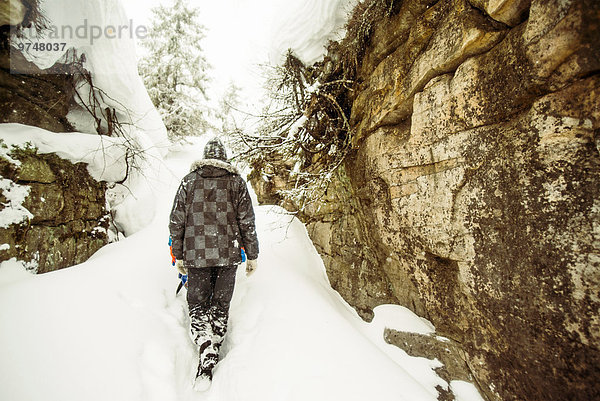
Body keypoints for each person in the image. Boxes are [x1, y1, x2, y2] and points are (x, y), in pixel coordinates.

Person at [169, 137, 259, 391]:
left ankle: (204, 346)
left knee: (198, 303)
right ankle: (215, 343)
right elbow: (247, 222)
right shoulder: (236, 183)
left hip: (196, 255)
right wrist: (251, 255)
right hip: (228, 254)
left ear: (205, 156)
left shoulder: (188, 182)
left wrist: (178, 255)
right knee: (220, 303)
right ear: (224, 157)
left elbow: (176, 222)